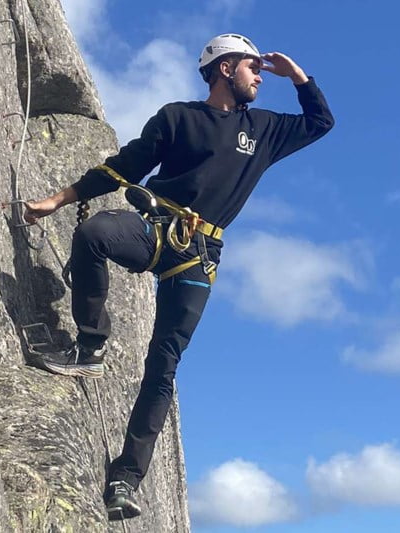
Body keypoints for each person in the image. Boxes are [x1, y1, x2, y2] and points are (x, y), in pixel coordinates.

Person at [23, 33, 334, 521]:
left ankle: (125, 479)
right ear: (225, 68)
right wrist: (58, 200)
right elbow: (124, 168)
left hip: (199, 255)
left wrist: (298, 77)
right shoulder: (176, 117)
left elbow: (320, 122)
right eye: (252, 67)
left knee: (163, 366)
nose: (260, 76)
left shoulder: (264, 130)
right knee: (96, 234)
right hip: (156, 228)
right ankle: (90, 346)